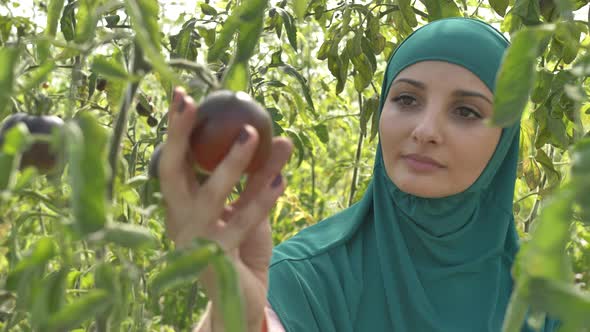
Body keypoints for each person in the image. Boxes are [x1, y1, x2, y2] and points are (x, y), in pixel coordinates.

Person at [158, 17, 559, 332]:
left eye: (466, 112)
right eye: (406, 99)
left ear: (505, 142)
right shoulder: (306, 278)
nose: (424, 130)